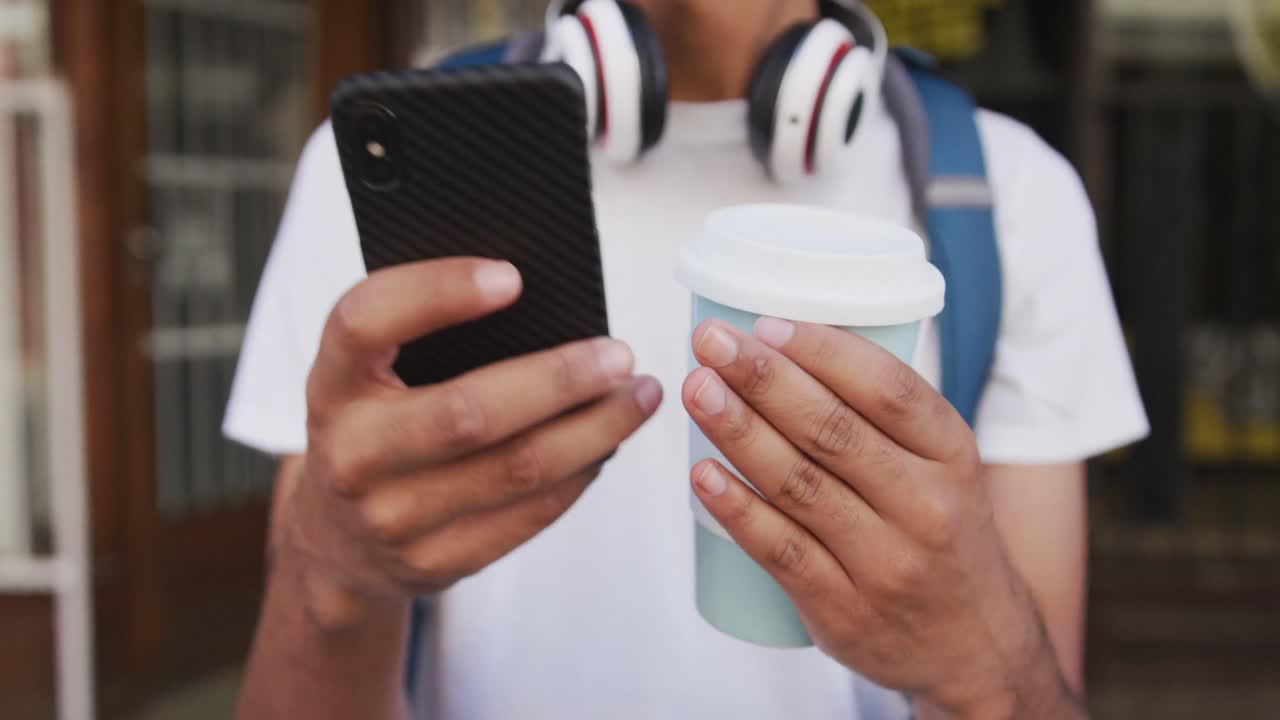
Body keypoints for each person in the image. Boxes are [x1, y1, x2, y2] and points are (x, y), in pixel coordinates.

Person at [225, 1, 1148, 718]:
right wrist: (330, 574)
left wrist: (983, 666)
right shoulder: (381, 171)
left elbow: (1039, 687)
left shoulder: (1007, 195)